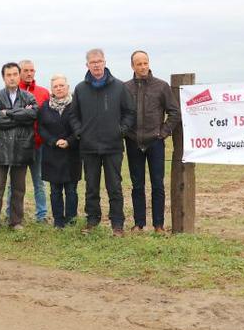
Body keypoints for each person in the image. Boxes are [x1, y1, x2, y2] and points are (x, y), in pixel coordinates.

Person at [70, 49, 135, 237]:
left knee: (114, 186)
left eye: (99, 61)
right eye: (93, 62)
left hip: (112, 146)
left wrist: (120, 130)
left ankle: (117, 224)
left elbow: (129, 112)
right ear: (87, 65)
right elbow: (73, 115)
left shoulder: (119, 87)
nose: (96, 65)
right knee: (91, 186)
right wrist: (79, 132)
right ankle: (92, 220)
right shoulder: (81, 88)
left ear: (105, 62)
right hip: (89, 146)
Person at [124, 51, 180, 234]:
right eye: (138, 64)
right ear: (132, 66)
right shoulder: (125, 88)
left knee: (157, 184)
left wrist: (162, 133)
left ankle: (159, 225)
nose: (142, 67)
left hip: (155, 143)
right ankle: (139, 224)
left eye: (145, 63)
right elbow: (121, 114)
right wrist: (125, 132)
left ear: (149, 63)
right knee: (137, 185)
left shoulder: (162, 86)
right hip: (133, 142)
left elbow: (174, 113)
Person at [0, 62, 38, 236]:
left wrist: (7, 112)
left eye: (15, 74)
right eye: (9, 75)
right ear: (3, 77)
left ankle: (16, 221)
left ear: (20, 75)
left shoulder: (29, 98)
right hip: (0, 148)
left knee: (18, 189)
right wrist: (20, 114)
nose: (12, 77)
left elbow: (32, 115)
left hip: (21, 148)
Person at [6, 59, 50, 223]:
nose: (29, 73)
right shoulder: (12, 93)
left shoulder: (43, 92)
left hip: (38, 144)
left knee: (39, 182)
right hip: (18, 146)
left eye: (32, 70)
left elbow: (46, 118)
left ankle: (42, 215)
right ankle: (11, 213)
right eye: (25, 70)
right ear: (19, 72)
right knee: (14, 183)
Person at [38, 74, 80, 229]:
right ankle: (58, 221)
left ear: (67, 87)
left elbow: (80, 127)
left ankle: (71, 220)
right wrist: (53, 141)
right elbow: (41, 128)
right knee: (55, 191)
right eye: (56, 86)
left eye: (62, 85)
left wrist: (69, 141)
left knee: (71, 190)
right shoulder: (45, 107)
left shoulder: (76, 105)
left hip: (72, 153)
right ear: (52, 90)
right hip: (52, 154)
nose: (59, 88)